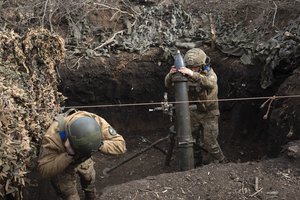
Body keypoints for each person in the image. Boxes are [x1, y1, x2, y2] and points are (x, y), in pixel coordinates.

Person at [37, 109, 126, 200]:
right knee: (70, 195)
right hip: (63, 162)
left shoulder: (95, 121)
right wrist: (69, 154)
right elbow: (43, 170)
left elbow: (121, 146)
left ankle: (91, 196)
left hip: (84, 157)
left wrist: (98, 144)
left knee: (89, 177)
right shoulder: (53, 136)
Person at [164, 48, 226, 164]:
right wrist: (170, 75)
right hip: (193, 112)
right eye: (190, 67)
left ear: (202, 65)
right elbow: (167, 84)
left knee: (210, 143)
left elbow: (211, 83)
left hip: (209, 113)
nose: (192, 69)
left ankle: (222, 163)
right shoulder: (185, 73)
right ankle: (197, 163)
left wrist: (192, 74)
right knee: (193, 140)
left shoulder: (210, 74)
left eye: (195, 67)